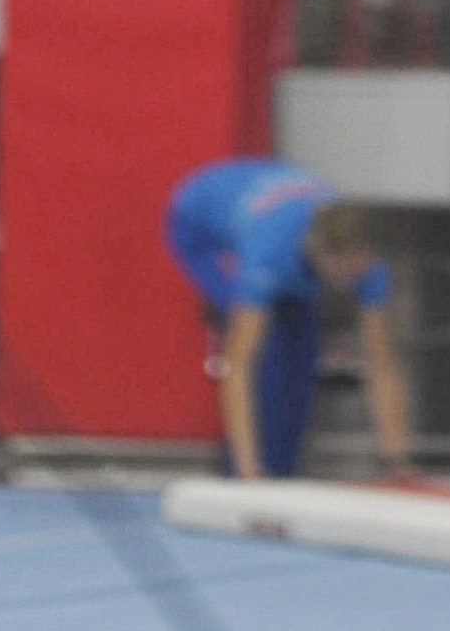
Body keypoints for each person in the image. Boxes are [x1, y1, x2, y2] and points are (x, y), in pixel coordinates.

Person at [163, 160, 409, 481]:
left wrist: (396, 461)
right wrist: (248, 469)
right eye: (344, 274)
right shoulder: (268, 256)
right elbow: (238, 367)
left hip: (276, 219)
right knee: (270, 349)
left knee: (302, 354)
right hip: (199, 224)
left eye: (357, 274)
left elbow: (382, 362)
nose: (351, 283)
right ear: (320, 250)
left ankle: (283, 469)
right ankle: (239, 466)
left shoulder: (368, 269)